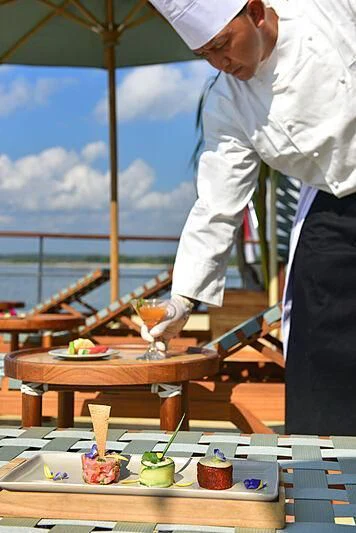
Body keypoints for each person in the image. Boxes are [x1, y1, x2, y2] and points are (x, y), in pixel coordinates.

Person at [142, 0, 356, 435]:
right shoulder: (227, 102)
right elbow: (217, 205)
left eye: (223, 44)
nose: (221, 62)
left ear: (256, 12)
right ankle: (324, 478)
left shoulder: (323, 8)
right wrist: (182, 300)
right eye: (206, 54)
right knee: (318, 344)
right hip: (330, 201)